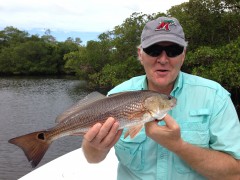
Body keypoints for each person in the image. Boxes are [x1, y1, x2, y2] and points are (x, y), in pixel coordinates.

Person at [82, 16, 240, 180]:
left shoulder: (215, 96)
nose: (163, 59)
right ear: (140, 54)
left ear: (183, 55)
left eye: (173, 51)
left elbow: (236, 173)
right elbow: (92, 158)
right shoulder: (117, 94)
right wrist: (95, 147)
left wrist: (179, 146)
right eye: (153, 50)